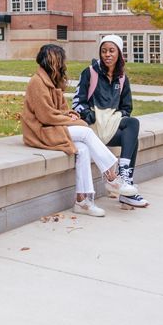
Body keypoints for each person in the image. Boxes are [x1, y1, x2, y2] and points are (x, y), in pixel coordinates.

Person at [21, 44, 138, 217]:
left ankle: (82, 201)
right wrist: (73, 121)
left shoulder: (52, 81)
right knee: (86, 132)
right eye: (60, 60)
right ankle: (111, 177)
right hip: (40, 132)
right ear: (52, 61)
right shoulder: (37, 82)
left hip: (54, 128)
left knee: (83, 150)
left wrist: (72, 115)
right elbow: (46, 116)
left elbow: (61, 109)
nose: (63, 64)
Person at [72, 34, 149, 207]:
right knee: (133, 129)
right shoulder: (90, 73)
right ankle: (125, 182)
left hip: (112, 123)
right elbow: (77, 101)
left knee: (131, 131)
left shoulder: (122, 78)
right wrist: (86, 113)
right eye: (104, 51)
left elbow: (126, 108)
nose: (107, 54)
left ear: (119, 53)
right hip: (93, 126)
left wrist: (116, 117)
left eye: (111, 51)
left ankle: (124, 182)